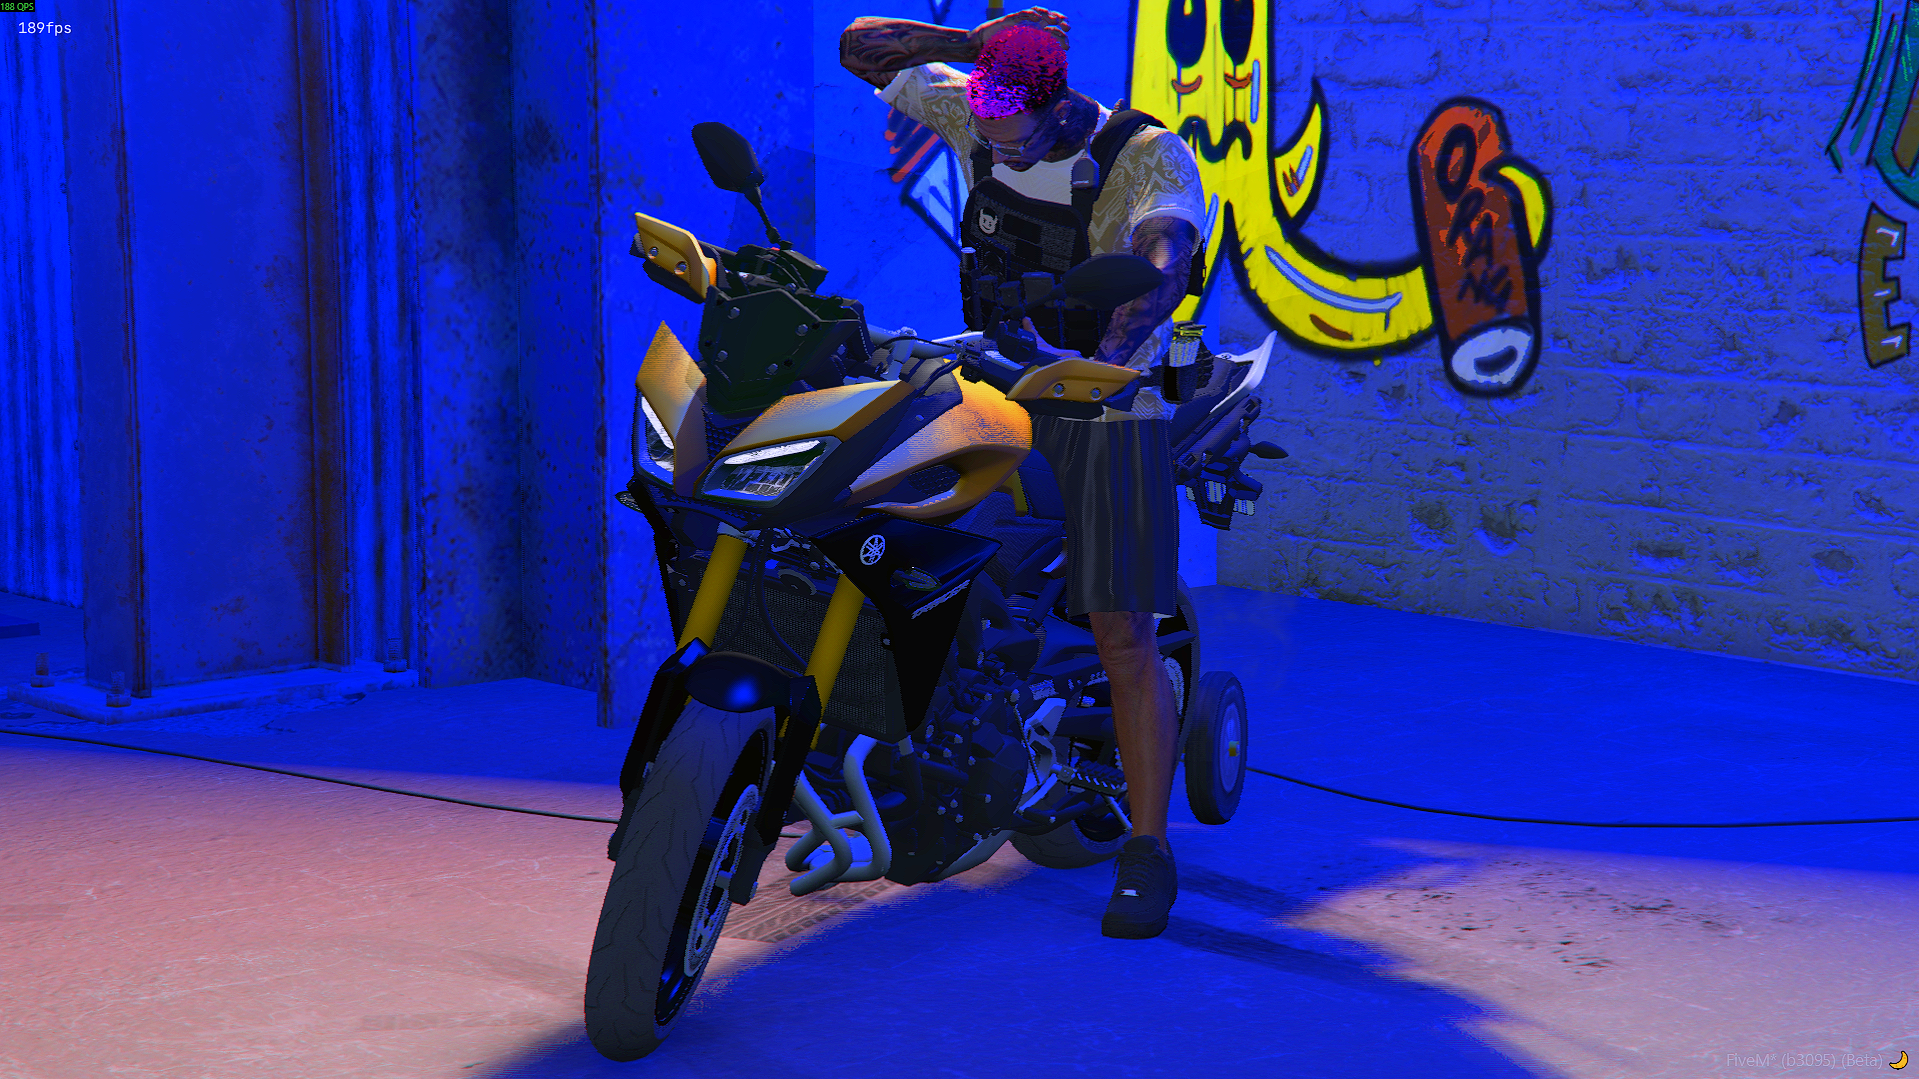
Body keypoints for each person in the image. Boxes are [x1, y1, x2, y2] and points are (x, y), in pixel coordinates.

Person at [840, 7, 1206, 939]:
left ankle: (1147, 848)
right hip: (991, 379)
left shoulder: (1143, 156)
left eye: (1015, 138)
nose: (997, 152)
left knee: (1123, 629)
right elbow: (860, 46)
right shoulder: (980, 106)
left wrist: (1103, 359)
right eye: (987, 136)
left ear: (1057, 104)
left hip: (1104, 401)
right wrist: (977, 46)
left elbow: (1164, 260)